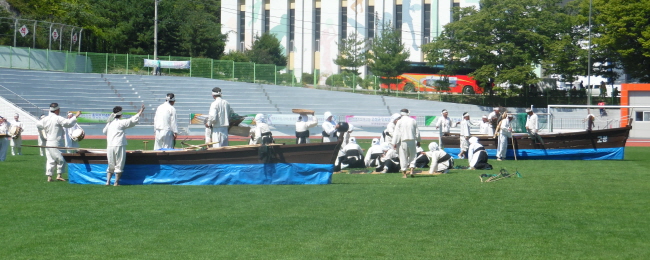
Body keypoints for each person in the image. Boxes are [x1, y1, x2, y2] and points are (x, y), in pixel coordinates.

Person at [36, 103, 81, 182]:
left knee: (50, 159)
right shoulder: (57, 118)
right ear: (57, 110)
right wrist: (76, 116)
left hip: (48, 142)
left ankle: (49, 177)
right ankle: (59, 175)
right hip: (56, 142)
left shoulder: (45, 119)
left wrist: (45, 128)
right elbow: (68, 123)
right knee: (61, 158)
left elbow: (38, 125)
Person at [103, 105, 144, 186]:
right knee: (119, 163)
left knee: (111, 163)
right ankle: (116, 182)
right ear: (120, 114)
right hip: (119, 145)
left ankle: (108, 182)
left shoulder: (110, 123)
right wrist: (140, 111)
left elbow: (104, 131)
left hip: (110, 145)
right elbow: (132, 120)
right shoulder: (120, 122)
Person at [391, 108, 421, 178]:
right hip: (412, 140)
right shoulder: (413, 120)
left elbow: (396, 133)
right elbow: (417, 132)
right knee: (413, 156)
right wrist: (418, 141)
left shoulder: (399, 121)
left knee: (403, 157)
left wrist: (394, 143)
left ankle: (404, 174)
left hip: (403, 141)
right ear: (408, 113)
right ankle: (411, 170)